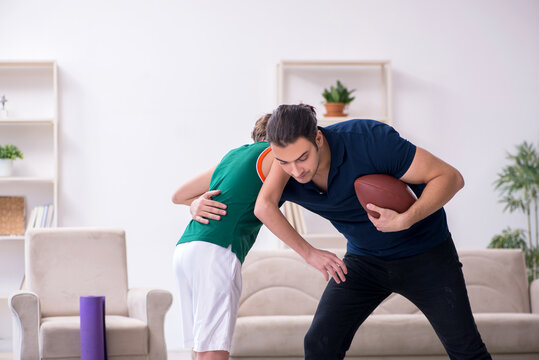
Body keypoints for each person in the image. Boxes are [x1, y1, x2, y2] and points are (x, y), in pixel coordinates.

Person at [197, 104, 491, 359]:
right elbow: (261, 205)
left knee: (466, 349)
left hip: (426, 255)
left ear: (318, 138)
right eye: (284, 161)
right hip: (365, 261)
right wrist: (195, 203)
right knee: (319, 343)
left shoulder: (369, 140)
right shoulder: (280, 167)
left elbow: (450, 177)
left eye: (302, 158)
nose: (296, 171)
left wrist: (407, 219)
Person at [171, 113, 345, 360]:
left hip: (187, 248)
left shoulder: (233, 156)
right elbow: (264, 208)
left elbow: (178, 195)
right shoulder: (274, 155)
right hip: (217, 250)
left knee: (203, 347)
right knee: (214, 351)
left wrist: (194, 203)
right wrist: (310, 253)